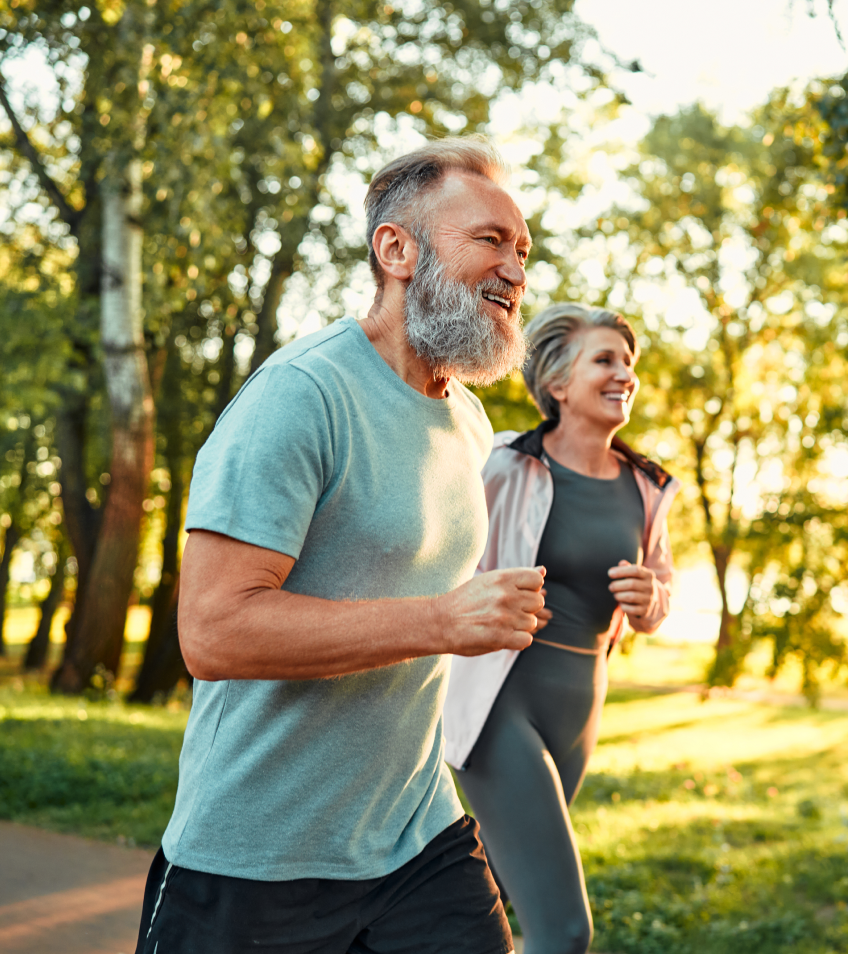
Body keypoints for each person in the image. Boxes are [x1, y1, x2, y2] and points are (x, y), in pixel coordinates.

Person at [133, 136, 546, 954]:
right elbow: (213, 631)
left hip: (415, 835)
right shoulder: (301, 397)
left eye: (524, 250)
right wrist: (439, 622)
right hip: (257, 857)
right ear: (396, 250)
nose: (515, 270)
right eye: (490, 241)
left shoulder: (465, 418)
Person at [443, 303, 680, 954]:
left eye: (628, 363)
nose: (623, 374)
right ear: (556, 384)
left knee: (480, 901)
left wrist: (650, 598)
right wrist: (491, 595)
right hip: (500, 701)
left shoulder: (647, 486)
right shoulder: (499, 464)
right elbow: (441, 565)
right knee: (563, 930)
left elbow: (661, 589)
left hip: (578, 706)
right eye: (604, 360)